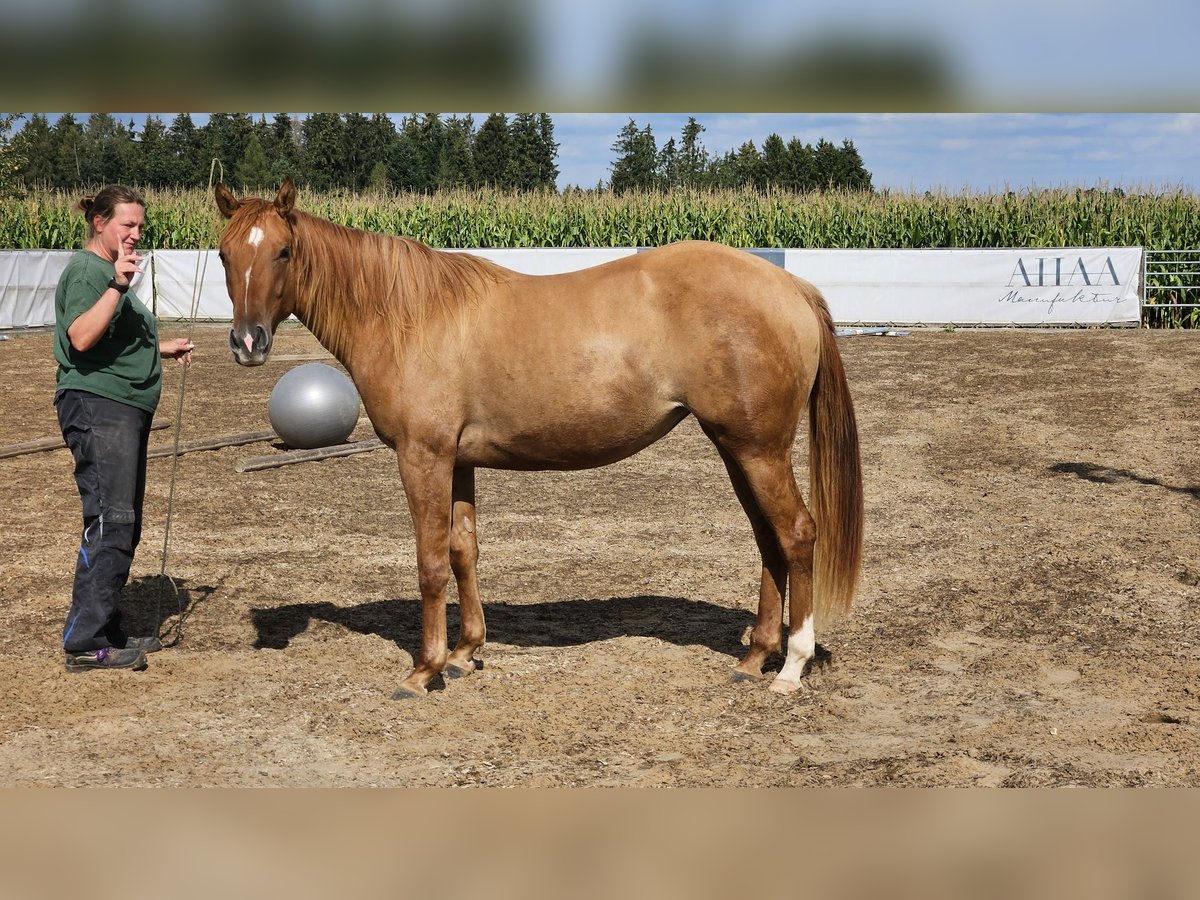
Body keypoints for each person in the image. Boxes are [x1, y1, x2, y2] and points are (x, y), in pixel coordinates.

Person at [53, 184, 194, 673]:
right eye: (126, 225)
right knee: (110, 519)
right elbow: (82, 336)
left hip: (121, 406)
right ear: (99, 223)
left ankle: (107, 628)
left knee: (123, 520)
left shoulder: (108, 270)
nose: (135, 234)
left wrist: (163, 348)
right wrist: (117, 286)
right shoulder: (89, 271)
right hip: (98, 406)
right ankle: (84, 642)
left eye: (139, 226)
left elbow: (116, 338)